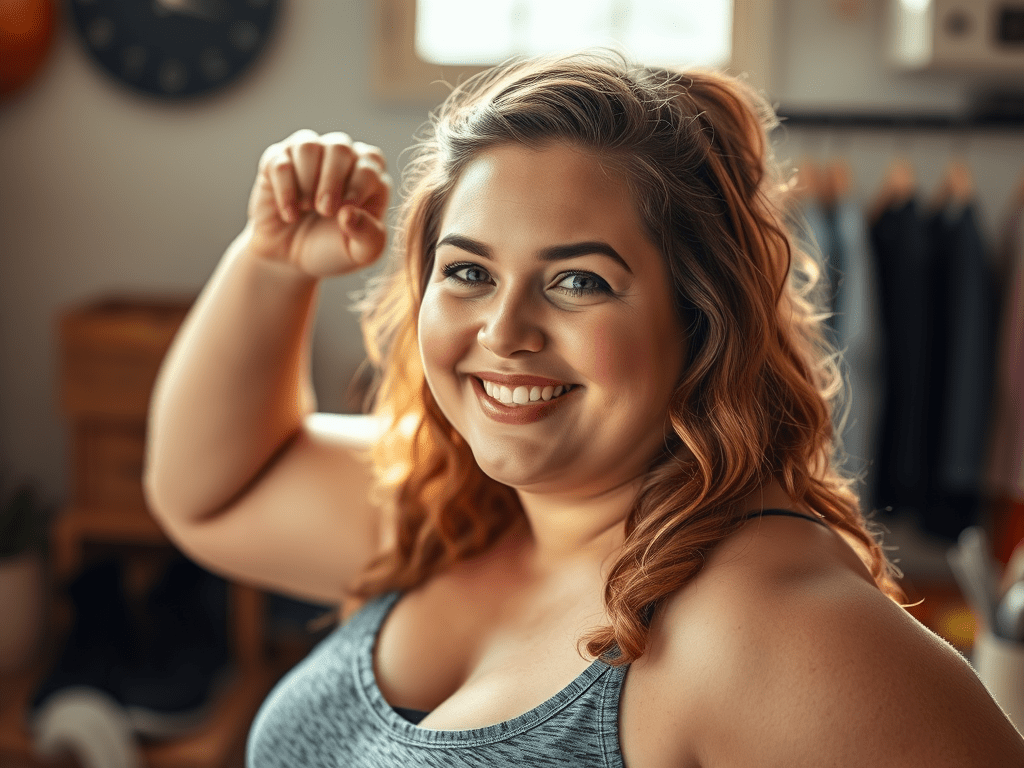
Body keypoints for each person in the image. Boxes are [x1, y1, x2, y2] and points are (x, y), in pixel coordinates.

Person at [143, 51, 1024, 766]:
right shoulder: (459, 513)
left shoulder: (768, 622)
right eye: (469, 272)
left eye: (578, 281)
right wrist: (272, 260)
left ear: (698, 319)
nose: (505, 330)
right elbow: (207, 496)